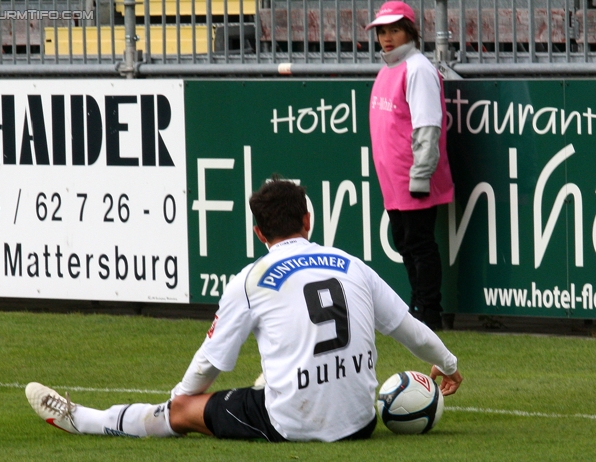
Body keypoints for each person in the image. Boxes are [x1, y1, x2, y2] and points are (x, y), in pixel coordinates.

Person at [26, 176, 463, 442]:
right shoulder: (353, 265)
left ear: (258, 232)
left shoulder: (251, 279)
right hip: (360, 421)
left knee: (182, 411)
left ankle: (83, 420)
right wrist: (448, 363)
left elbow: (209, 364)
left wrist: (181, 398)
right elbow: (409, 328)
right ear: (307, 221)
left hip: (291, 425)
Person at [367, 1, 454, 331]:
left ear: (410, 32)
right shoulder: (389, 68)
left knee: (419, 244)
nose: (387, 38)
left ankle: (428, 313)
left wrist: (420, 176)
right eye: (382, 31)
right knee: (405, 242)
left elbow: (427, 126)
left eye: (394, 30)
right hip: (394, 180)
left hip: (414, 178)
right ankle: (419, 305)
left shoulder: (418, 69)